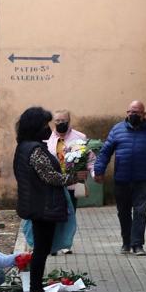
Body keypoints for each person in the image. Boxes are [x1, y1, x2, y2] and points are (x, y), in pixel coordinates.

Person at [13, 107, 87, 292]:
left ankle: (37, 290)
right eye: (45, 125)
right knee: (41, 250)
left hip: (35, 204)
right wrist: (74, 177)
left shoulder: (23, 147)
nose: (49, 128)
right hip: (43, 206)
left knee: (41, 248)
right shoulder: (35, 150)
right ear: (36, 127)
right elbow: (50, 177)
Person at [94, 100, 146, 256]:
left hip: (143, 179)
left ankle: (137, 244)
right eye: (130, 112)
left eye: (136, 112)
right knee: (123, 212)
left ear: (144, 114)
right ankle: (126, 242)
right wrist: (99, 170)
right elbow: (105, 152)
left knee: (140, 212)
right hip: (122, 179)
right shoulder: (117, 130)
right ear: (126, 113)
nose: (133, 115)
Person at [45, 109, 94, 254]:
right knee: (53, 214)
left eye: (63, 121)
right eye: (58, 121)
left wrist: (92, 172)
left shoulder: (80, 137)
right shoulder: (47, 138)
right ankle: (53, 244)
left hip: (72, 183)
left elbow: (89, 159)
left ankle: (65, 244)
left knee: (69, 214)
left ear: (69, 121)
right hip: (54, 183)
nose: (60, 123)